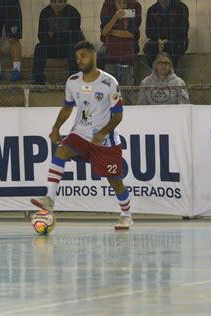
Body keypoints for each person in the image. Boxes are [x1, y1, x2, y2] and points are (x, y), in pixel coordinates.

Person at [30, 40, 133, 230]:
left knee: (116, 181)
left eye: (83, 56)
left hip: (105, 140)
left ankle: (126, 215)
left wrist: (102, 133)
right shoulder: (73, 81)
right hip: (80, 134)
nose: (80, 60)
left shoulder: (109, 82)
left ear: (94, 56)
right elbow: (68, 107)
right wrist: (55, 128)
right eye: (77, 57)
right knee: (61, 151)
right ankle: (49, 198)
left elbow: (118, 115)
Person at [32, 0, 85, 85]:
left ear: (65, 2)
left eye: (60, 1)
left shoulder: (73, 12)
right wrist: (65, 34)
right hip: (52, 47)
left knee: (73, 47)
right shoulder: (45, 12)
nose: (57, 4)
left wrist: (52, 35)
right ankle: (38, 80)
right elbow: (41, 36)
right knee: (39, 47)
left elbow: (75, 37)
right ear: (50, 2)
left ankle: (73, 80)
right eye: (54, 2)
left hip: (68, 47)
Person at [100, 0, 139, 88]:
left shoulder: (130, 16)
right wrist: (115, 18)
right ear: (114, 3)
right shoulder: (109, 17)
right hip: (111, 53)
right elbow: (104, 32)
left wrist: (112, 32)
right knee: (109, 86)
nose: (122, 5)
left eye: (124, 3)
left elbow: (130, 34)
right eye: (119, 3)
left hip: (126, 53)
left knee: (127, 87)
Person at [143, 0, 189, 68]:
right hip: (158, 41)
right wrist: (159, 40)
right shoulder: (152, 9)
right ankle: (155, 72)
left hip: (176, 40)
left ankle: (171, 73)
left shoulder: (181, 7)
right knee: (148, 47)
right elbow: (149, 32)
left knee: (171, 48)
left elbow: (183, 30)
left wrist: (167, 40)